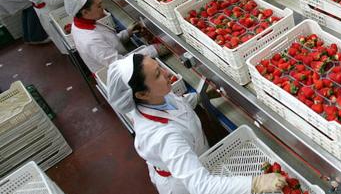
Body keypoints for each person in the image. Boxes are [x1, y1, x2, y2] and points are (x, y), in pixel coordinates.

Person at [107, 53, 287, 194]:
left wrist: (203, 95)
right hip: (183, 186)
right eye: (157, 74)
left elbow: (179, 105)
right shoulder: (164, 136)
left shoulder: (155, 97)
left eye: (158, 66)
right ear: (142, 94)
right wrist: (255, 183)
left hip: (199, 157)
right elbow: (202, 187)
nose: (167, 72)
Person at [63, 0, 167, 74]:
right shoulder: (89, 40)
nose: (103, 8)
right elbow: (119, 65)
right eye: (99, 6)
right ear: (85, 12)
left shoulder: (82, 23)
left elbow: (108, 43)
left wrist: (127, 33)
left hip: (117, 62)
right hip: (118, 75)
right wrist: (153, 50)